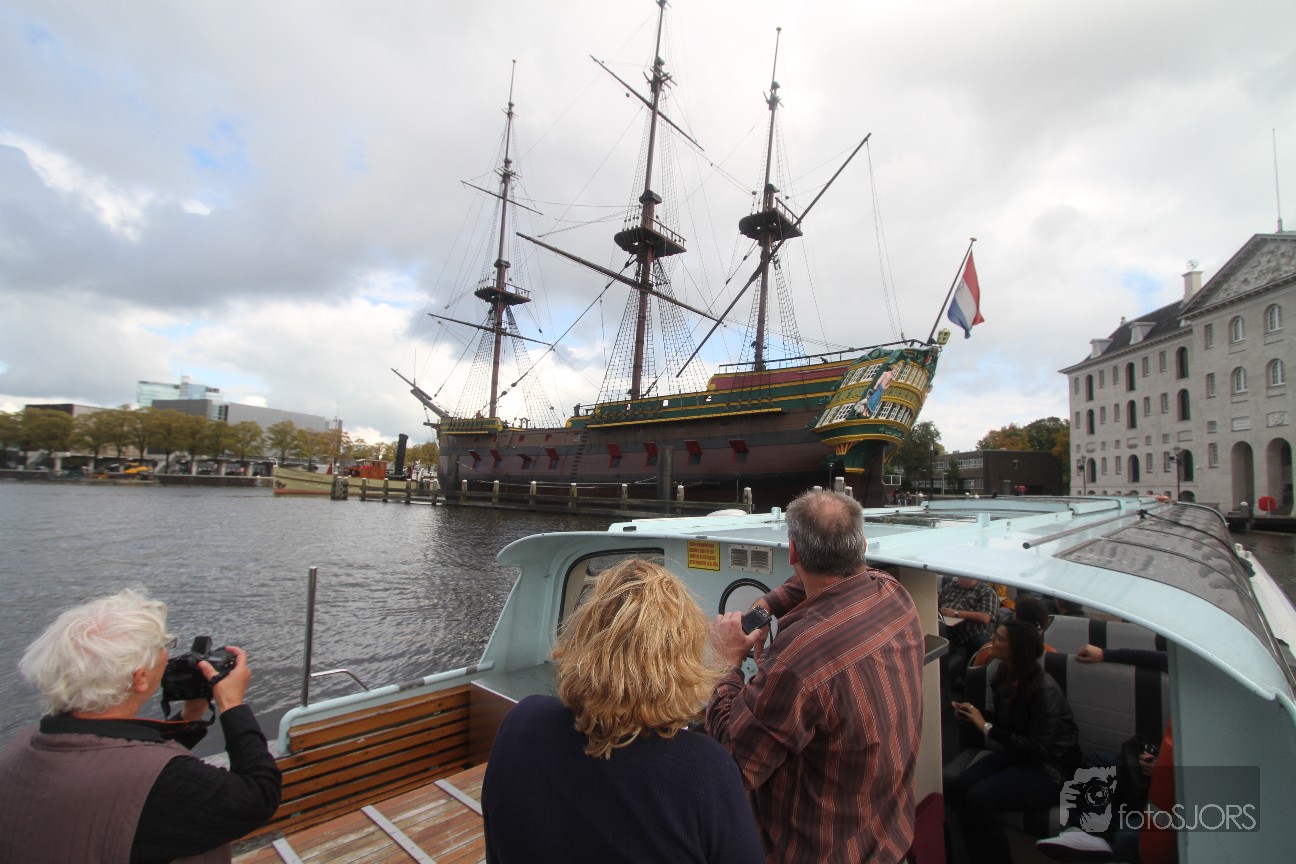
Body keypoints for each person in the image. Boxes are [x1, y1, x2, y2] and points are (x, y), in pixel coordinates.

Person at [481, 559, 763, 864]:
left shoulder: (522, 723)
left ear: (582, 635)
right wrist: (727, 665)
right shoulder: (704, 769)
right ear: (681, 660)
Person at [706, 489, 924, 863]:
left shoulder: (796, 662)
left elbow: (732, 763)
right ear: (860, 547)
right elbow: (832, 578)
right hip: (889, 841)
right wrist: (768, 605)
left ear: (793, 553)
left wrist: (726, 662)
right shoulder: (894, 594)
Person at [0, 588, 281, 863]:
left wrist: (190, 716)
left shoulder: (22, 747)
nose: (168, 656)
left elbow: (118, 763)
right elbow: (258, 798)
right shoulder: (164, 779)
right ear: (140, 678)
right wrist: (232, 705)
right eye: (163, 647)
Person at [947, 620, 1082, 862]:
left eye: (999, 639)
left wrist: (985, 726)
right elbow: (1008, 724)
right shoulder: (1003, 675)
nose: (992, 641)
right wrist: (974, 715)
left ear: (1016, 649)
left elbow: (1040, 749)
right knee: (958, 786)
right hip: (1020, 755)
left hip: (1051, 769)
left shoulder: (1044, 689)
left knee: (979, 798)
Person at [938, 575, 998, 688]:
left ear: (972, 577)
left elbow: (985, 617)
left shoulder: (987, 592)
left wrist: (956, 613)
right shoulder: (951, 586)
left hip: (972, 631)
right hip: (948, 628)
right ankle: (945, 675)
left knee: (980, 643)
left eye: (962, 577)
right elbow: (937, 601)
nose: (958, 579)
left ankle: (970, 680)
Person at [969, 595, 1057, 668]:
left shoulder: (988, 650)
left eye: (999, 638)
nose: (993, 638)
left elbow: (974, 678)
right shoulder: (1051, 656)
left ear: (1015, 621)